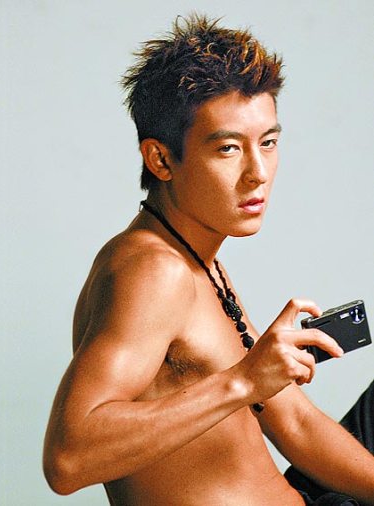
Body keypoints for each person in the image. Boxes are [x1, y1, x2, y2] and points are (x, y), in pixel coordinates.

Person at [43, 14, 374, 506]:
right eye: (228, 149)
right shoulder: (154, 270)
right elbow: (67, 460)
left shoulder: (198, 256)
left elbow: (297, 423)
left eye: (268, 143)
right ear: (160, 160)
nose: (258, 173)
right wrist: (242, 380)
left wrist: (252, 379)